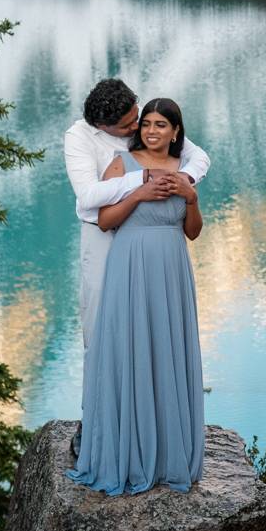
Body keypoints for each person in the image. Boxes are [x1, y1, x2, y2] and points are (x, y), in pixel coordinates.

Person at [68, 97, 206, 495]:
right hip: (129, 267)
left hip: (172, 269)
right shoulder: (122, 163)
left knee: (167, 351)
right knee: (130, 350)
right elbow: (105, 220)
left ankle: (168, 458)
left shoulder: (184, 171)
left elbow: (192, 231)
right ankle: (127, 452)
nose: (151, 131)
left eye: (161, 125)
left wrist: (191, 196)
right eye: (146, 124)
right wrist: (138, 195)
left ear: (176, 132)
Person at [64, 78, 209, 348]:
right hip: (102, 235)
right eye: (127, 125)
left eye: (136, 117)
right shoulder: (79, 137)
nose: (137, 127)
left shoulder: (144, 121)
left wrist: (184, 180)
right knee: (101, 318)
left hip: (147, 235)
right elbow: (89, 196)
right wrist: (142, 177)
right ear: (102, 126)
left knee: (150, 318)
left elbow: (199, 157)